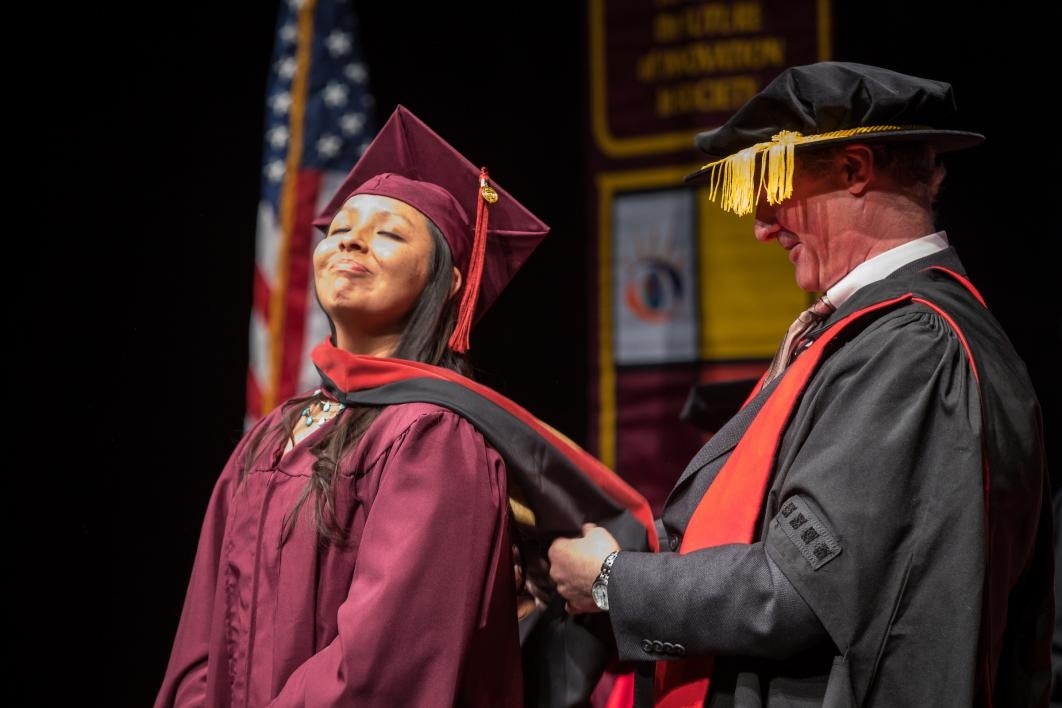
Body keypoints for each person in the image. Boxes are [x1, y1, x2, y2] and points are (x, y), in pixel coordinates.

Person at [548, 61, 1052, 707]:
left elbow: (797, 589)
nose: (761, 225)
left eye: (776, 185)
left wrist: (614, 581)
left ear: (853, 170)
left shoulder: (915, 347)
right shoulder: (877, 333)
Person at [155, 105, 656, 708]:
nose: (351, 240)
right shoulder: (273, 434)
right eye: (340, 228)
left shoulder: (434, 438)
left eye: (389, 233)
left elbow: (382, 671)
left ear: (447, 282)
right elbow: (199, 646)